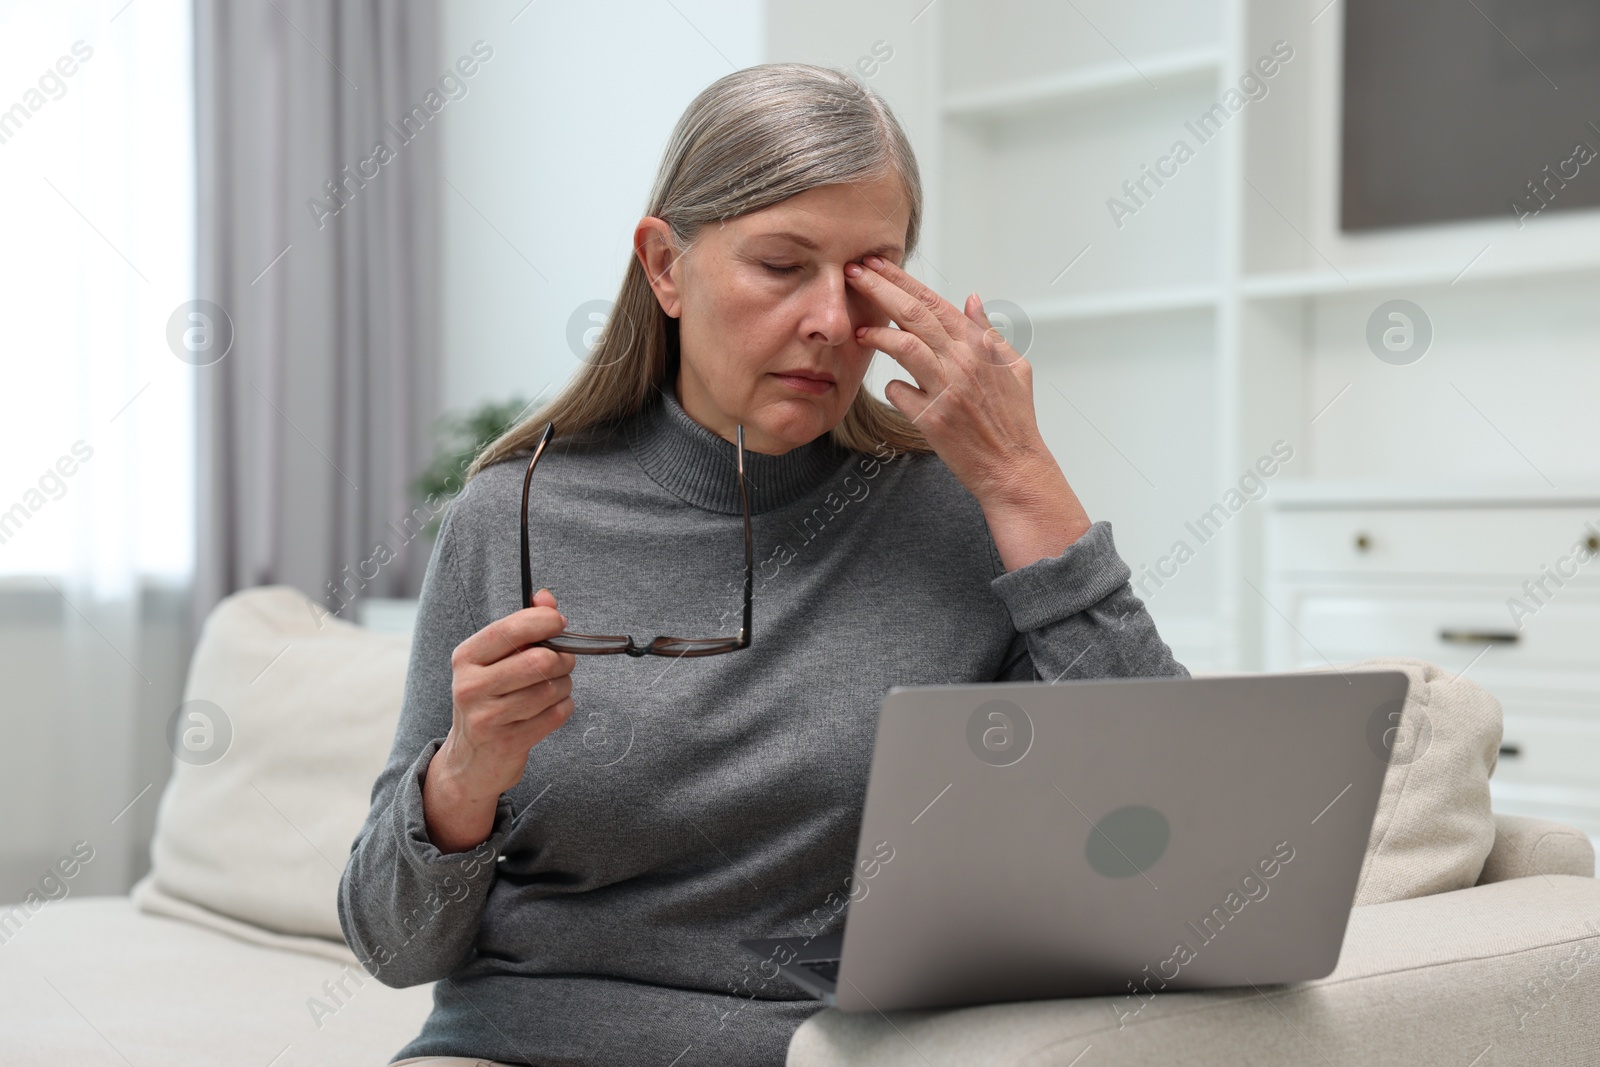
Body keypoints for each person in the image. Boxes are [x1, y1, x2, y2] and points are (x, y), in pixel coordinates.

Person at [337, 62, 1188, 1067]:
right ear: (664, 266)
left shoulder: (960, 513)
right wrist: (465, 775)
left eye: (870, 271)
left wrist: (1019, 477)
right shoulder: (510, 512)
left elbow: (1166, 839)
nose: (832, 321)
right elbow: (392, 944)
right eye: (782, 265)